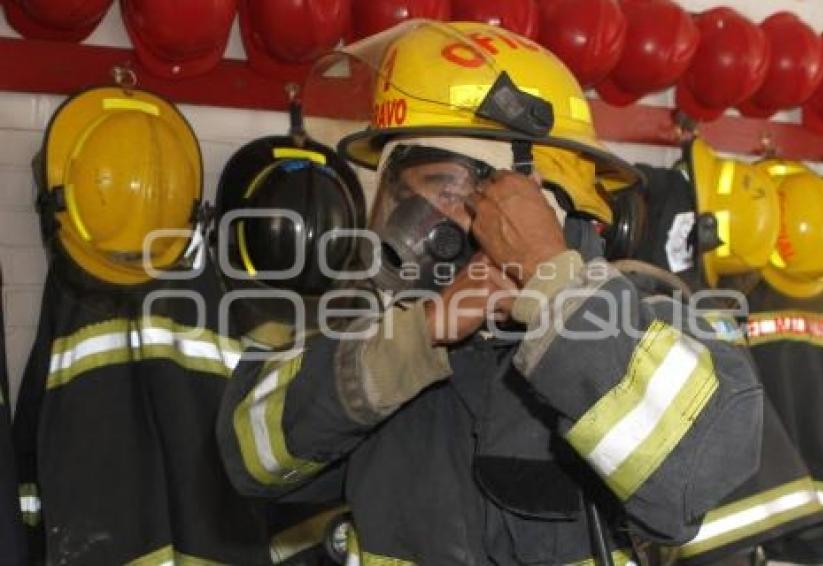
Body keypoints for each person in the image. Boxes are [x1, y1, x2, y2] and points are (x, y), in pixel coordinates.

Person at [218, 21, 763, 564]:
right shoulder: (384, 324)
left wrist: (555, 286)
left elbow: (701, 472)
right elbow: (250, 454)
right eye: (399, 193)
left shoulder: (649, 316)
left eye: (442, 190)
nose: (410, 222)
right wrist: (416, 338)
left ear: (537, 199)